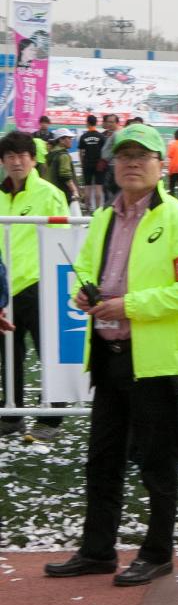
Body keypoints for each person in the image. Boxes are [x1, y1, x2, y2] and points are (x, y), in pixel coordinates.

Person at [42, 123, 178, 586]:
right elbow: (94, 277)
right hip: (109, 354)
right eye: (124, 155)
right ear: (112, 164)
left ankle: (158, 553)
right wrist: (85, 295)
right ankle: (97, 550)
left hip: (153, 359)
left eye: (142, 155)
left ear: (161, 165)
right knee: (103, 458)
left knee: (157, 462)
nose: (132, 163)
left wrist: (127, 306)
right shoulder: (102, 218)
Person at [0, 131, 69, 441]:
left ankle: (53, 414)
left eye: (22, 156)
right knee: (8, 353)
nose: (16, 162)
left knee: (46, 350)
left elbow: (64, 236)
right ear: (2, 161)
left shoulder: (48, 193)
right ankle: (11, 414)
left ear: (33, 159)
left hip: (38, 284)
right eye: (10, 156)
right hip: (4, 288)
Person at [43, 128, 81, 206]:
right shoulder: (64, 155)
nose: (71, 140)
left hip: (50, 193)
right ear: (61, 140)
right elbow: (66, 176)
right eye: (69, 138)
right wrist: (74, 191)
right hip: (62, 195)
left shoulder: (51, 155)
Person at [79, 115, 106, 211]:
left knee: (87, 186)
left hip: (87, 164)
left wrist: (83, 164)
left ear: (87, 123)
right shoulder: (101, 136)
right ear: (96, 123)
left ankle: (87, 208)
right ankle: (98, 209)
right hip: (99, 164)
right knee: (98, 186)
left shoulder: (83, 137)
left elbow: (81, 152)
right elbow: (104, 151)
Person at [100, 113, 121, 203]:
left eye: (111, 122)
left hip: (113, 166)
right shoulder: (112, 134)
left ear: (117, 123)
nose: (109, 124)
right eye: (108, 122)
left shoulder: (117, 134)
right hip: (111, 164)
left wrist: (106, 158)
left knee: (109, 189)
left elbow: (116, 149)